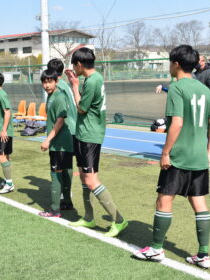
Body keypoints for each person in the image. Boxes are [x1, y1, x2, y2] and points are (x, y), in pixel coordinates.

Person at [133, 45, 210, 269]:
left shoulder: (177, 88)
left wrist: (165, 152)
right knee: (199, 202)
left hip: (179, 157)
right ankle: (204, 254)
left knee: (164, 198)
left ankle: (156, 248)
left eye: (170, 62)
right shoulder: (203, 90)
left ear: (176, 64)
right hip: (199, 157)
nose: (169, 66)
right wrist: (209, 152)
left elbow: (177, 123)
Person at [65, 47, 127, 237]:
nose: (73, 69)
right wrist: (76, 82)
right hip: (84, 133)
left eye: (74, 65)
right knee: (84, 177)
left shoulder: (92, 81)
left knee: (91, 180)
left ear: (79, 64)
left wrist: (74, 86)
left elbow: (81, 108)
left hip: (90, 135)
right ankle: (89, 217)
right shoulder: (92, 78)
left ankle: (119, 220)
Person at [39, 69, 74, 217]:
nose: (47, 85)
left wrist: (48, 140)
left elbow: (60, 120)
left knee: (56, 173)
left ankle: (54, 209)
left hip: (59, 142)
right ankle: (66, 202)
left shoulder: (59, 97)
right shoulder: (51, 96)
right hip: (62, 141)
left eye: (50, 81)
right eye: (44, 82)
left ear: (56, 81)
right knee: (65, 171)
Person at [47, 58, 76, 210]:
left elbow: (61, 115)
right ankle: (66, 194)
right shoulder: (64, 84)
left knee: (62, 165)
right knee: (66, 164)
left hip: (65, 129)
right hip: (71, 127)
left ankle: (66, 194)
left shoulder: (59, 87)